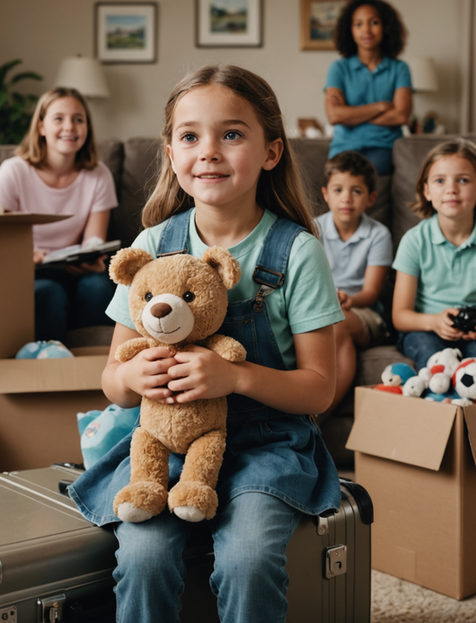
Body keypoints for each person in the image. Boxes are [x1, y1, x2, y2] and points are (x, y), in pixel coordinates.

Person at [68, 65, 344, 623]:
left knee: (248, 558)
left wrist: (236, 377)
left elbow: (320, 389)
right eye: (190, 136)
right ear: (171, 153)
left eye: (232, 134)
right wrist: (131, 378)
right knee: (143, 557)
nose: (209, 151)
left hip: (267, 443)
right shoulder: (152, 244)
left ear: (271, 151)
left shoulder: (297, 252)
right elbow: (112, 383)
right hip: (165, 443)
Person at [0, 87, 118, 342]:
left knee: (98, 287)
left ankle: (94, 368)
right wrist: (26, 255)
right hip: (28, 269)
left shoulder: (99, 174)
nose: (69, 127)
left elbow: (94, 238)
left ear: (87, 128)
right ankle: (50, 365)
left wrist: (92, 256)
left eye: (78, 119)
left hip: (76, 268)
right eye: (58, 118)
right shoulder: (13, 171)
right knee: (48, 292)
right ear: (41, 127)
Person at [391, 139, 476, 376]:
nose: (451, 189)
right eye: (440, 181)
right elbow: (400, 316)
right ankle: (442, 407)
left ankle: (475, 410)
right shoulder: (414, 240)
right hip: (426, 330)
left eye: (463, 180)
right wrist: (434, 322)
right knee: (433, 359)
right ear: (426, 191)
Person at [316, 150, 392, 416]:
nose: (346, 198)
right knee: (331, 325)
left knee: (340, 323)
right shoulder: (314, 229)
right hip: (321, 307)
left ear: (371, 198)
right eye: (338, 190)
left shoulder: (378, 235)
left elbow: (371, 292)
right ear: (326, 194)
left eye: (356, 191)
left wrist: (349, 299)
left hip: (363, 311)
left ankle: (318, 415)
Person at [324, 0, 412, 176]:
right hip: (343, 147)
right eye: (358, 24)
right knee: (341, 179)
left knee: (364, 176)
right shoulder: (338, 68)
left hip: (384, 147)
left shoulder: (399, 68)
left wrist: (351, 113)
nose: (366, 30)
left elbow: (402, 116)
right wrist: (379, 107)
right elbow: (334, 115)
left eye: (374, 22)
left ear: (386, 27)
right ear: (350, 30)